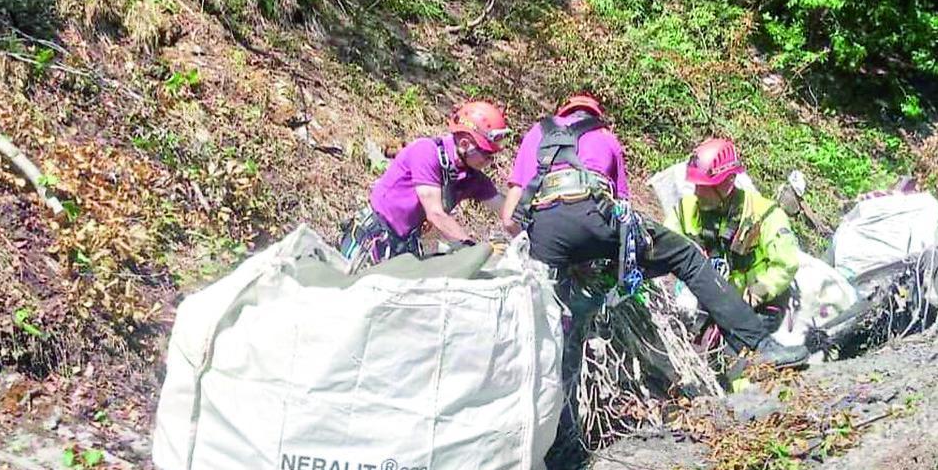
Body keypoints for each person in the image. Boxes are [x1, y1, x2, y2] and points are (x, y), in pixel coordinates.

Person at [501, 93, 808, 368]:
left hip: (546, 231)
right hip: (594, 216)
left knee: (559, 317)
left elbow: (509, 219)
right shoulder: (605, 137)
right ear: (596, 116)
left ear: (562, 113)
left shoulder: (535, 133)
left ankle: (561, 420)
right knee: (686, 257)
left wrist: (553, 252)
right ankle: (760, 344)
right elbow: (622, 212)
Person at [340, 100, 509, 269]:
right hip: (373, 239)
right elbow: (435, 214)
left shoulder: (471, 177)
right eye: (487, 154)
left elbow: (507, 211)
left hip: (404, 246)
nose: (490, 161)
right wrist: (473, 251)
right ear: (465, 144)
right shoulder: (426, 152)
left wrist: (527, 227)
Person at [664, 138, 800, 313]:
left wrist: (755, 295)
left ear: (728, 182)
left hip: (754, 304)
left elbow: (787, 264)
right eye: (697, 185)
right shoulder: (686, 209)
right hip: (707, 297)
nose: (697, 192)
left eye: (704, 186)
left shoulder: (766, 216)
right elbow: (664, 241)